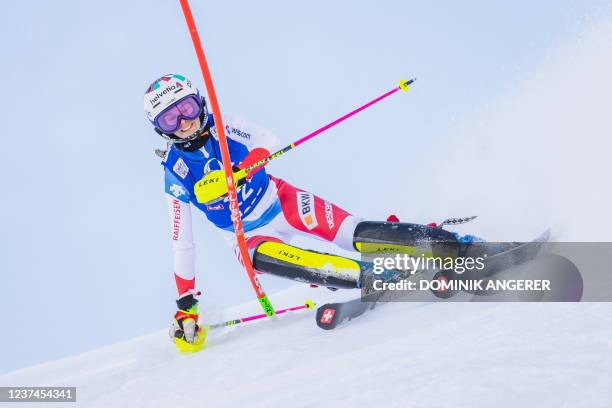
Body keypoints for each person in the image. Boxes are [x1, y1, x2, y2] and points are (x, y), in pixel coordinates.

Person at [144, 74, 477, 351]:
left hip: (283, 202)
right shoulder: (175, 172)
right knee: (257, 258)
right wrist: (186, 305)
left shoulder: (224, 124)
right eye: (170, 118)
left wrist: (240, 171)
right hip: (248, 233)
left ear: (200, 101)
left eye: (186, 108)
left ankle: (447, 243)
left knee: (353, 234)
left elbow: (267, 139)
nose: (185, 121)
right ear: (160, 128)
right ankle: (375, 275)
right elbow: (182, 242)